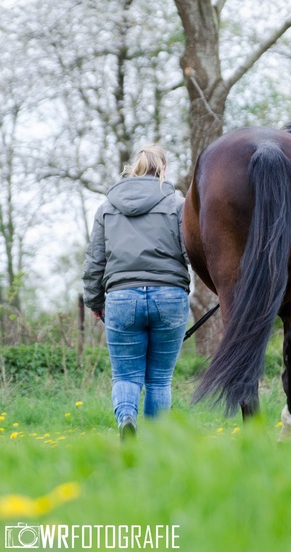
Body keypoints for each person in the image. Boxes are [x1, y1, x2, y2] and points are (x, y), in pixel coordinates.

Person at [82, 145, 190, 440]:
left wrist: (94, 300)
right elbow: (189, 252)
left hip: (121, 298)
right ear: (163, 170)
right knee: (159, 380)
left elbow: (95, 262)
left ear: (135, 168)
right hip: (170, 298)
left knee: (126, 376)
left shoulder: (106, 208)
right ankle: (155, 443)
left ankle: (127, 416)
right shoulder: (178, 204)